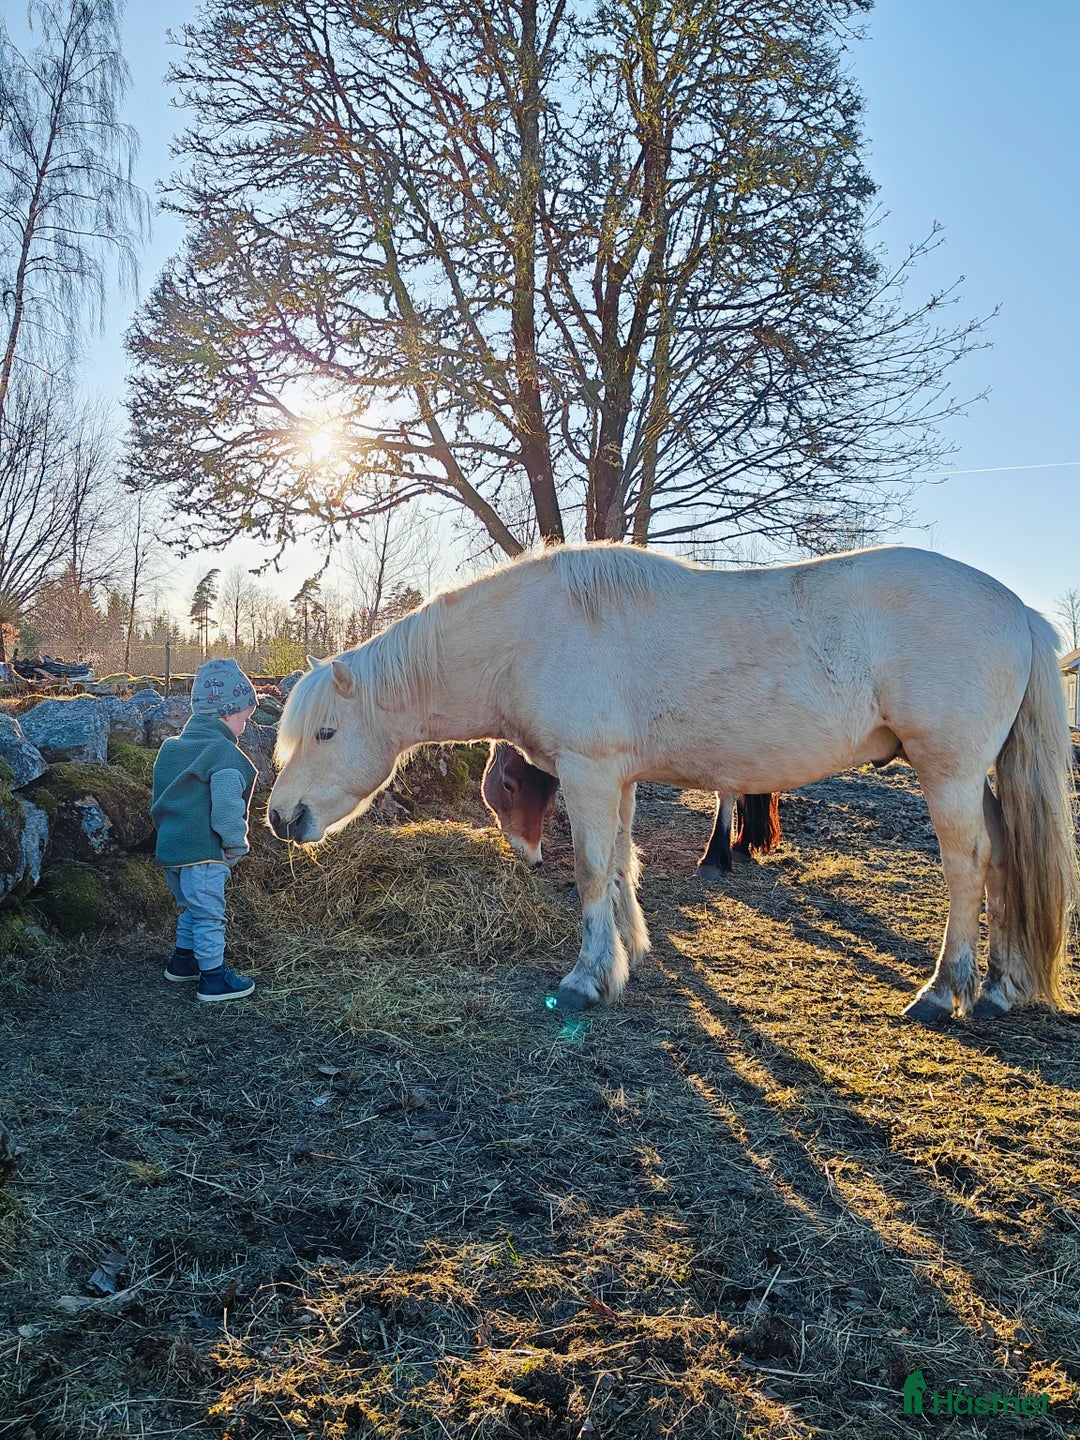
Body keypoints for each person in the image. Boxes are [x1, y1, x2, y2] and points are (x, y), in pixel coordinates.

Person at [151, 658, 259, 1002]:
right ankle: (214, 978)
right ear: (227, 714)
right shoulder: (222, 752)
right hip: (204, 853)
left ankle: (183, 962)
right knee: (211, 914)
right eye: (245, 717)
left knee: (191, 909)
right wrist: (234, 844)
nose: (246, 724)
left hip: (173, 851)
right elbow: (228, 805)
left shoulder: (172, 749)